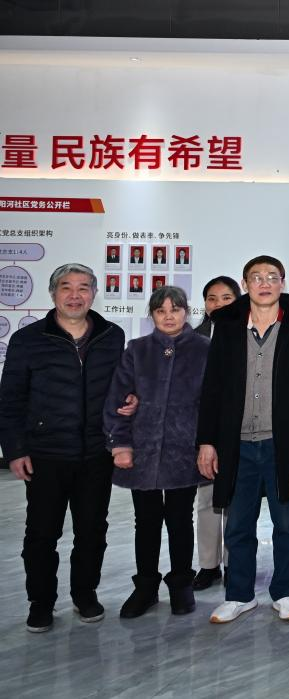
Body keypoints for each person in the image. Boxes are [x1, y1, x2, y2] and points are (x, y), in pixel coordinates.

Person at [197, 255, 289, 624]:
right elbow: (212, 387)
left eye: (272, 277)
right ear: (245, 285)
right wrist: (207, 441)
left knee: (286, 522)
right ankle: (239, 594)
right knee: (238, 524)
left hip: (282, 441)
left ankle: (286, 591)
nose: (265, 283)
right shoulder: (227, 326)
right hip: (236, 443)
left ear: (282, 283)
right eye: (256, 277)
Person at [0, 264, 125, 633]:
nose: (75, 295)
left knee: (92, 530)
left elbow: (120, 387)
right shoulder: (29, 340)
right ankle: (41, 602)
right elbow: (10, 399)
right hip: (46, 453)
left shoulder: (111, 336)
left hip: (95, 453)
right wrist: (15, 450)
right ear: (53, 293)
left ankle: (85, 594)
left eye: (83, 287)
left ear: (94, 293)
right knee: (42, 533)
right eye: (66, 287)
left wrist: (130, 400)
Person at [103, 286, 210, 619]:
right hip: (143, 448)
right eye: (161, 310)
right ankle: (146, 586)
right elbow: (118, 398)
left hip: (185, 449)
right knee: (145, 521)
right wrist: (120, 444)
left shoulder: (205, 349)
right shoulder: (137, 350)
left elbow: (214, 403)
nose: (168, 316)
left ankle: (181, 585)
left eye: (175, 309)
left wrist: (207, 445)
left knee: (180, 519)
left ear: (186, 312)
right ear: (151, 315)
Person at [190, 275, 241, 591]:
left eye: (226, 298)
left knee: (237, 499)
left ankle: (235, 562)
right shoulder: (192, 339)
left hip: (239, 430)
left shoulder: (252, 334)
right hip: (204, 431)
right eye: (212, 298)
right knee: (207, 500)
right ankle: (208, 565)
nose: (218, 304)